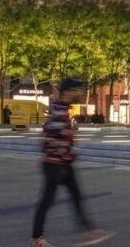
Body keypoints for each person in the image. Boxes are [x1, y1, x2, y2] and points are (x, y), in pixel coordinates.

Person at [30, 77, 110, 247]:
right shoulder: (59, 112)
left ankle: (87, 231)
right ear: (68, 92)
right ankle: (37, 239)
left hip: (60, 162)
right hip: (56, 164)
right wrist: (62, 156)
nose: (81, 93)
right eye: (78, 90)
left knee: (73, 196)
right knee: (49, 200)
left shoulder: (61, 109)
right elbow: (49, 137)